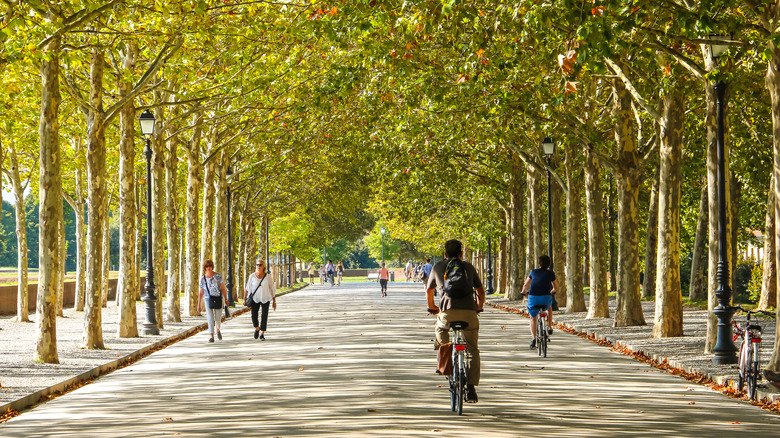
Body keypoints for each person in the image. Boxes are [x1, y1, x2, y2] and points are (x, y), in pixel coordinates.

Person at [426, 239, 485, 403]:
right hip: (469, 313)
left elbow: (429, 290)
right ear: (461, 254)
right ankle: (471, 388)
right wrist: (479, 307)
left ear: (445, 254)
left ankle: (445, 364)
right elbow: (480, 290)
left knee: (440, 330)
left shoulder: (438, 267)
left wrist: (432, 307)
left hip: (447, 313)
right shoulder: (468, 267)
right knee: (472, 349)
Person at [521, 255, 558, 350]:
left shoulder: (533, 272)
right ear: (549, 264)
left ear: (539, 264)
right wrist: (553, 291)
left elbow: (526, 284)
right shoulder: (550, 273)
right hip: (546, 298)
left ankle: (534, 339)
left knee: (533, 317)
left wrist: (524, 291)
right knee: (549, 307)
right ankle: (549, 327)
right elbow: (555, 287)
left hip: (534, 298)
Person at [244, 259, 277, 341]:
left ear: (264, 267)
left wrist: (274, 301)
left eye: (260, 265)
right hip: (255, 298)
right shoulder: (252, 276)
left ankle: (262, 333)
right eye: (257, 265)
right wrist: (244, 299)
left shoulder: (268, 276)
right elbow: (247, 288)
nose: (258, 266)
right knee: (254, 316)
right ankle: (257, 328)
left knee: (264, 315)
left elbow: (272, 288)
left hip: (266, 298)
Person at [198, 259, 228, 343]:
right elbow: (201, 292)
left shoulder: (218, 276)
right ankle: (211, 335)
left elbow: (223, 288)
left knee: (218, 317)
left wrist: (226, 299)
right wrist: (199, 305)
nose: (208, 268)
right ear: (204, 268)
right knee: (210, 317)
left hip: (218, 298)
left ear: (212, 267)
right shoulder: (203, 279)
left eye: (210, 266)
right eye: (206, 266)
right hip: (208, 299)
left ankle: (217, 329)